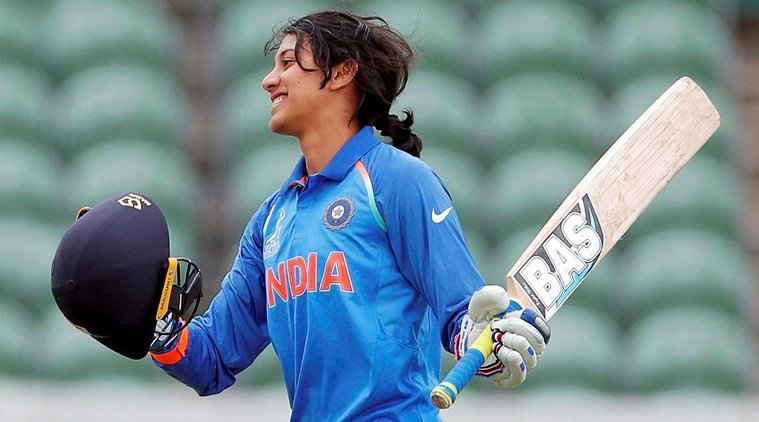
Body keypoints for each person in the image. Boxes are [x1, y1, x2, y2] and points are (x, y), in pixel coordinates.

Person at [148, 10, 551, 421]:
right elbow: (212, 358)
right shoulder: (272, 219)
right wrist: (152, 322)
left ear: (342, 72)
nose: (269, 80)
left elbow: (465, 314)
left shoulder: (398, 181)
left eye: (287, 63)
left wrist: (487, 340)